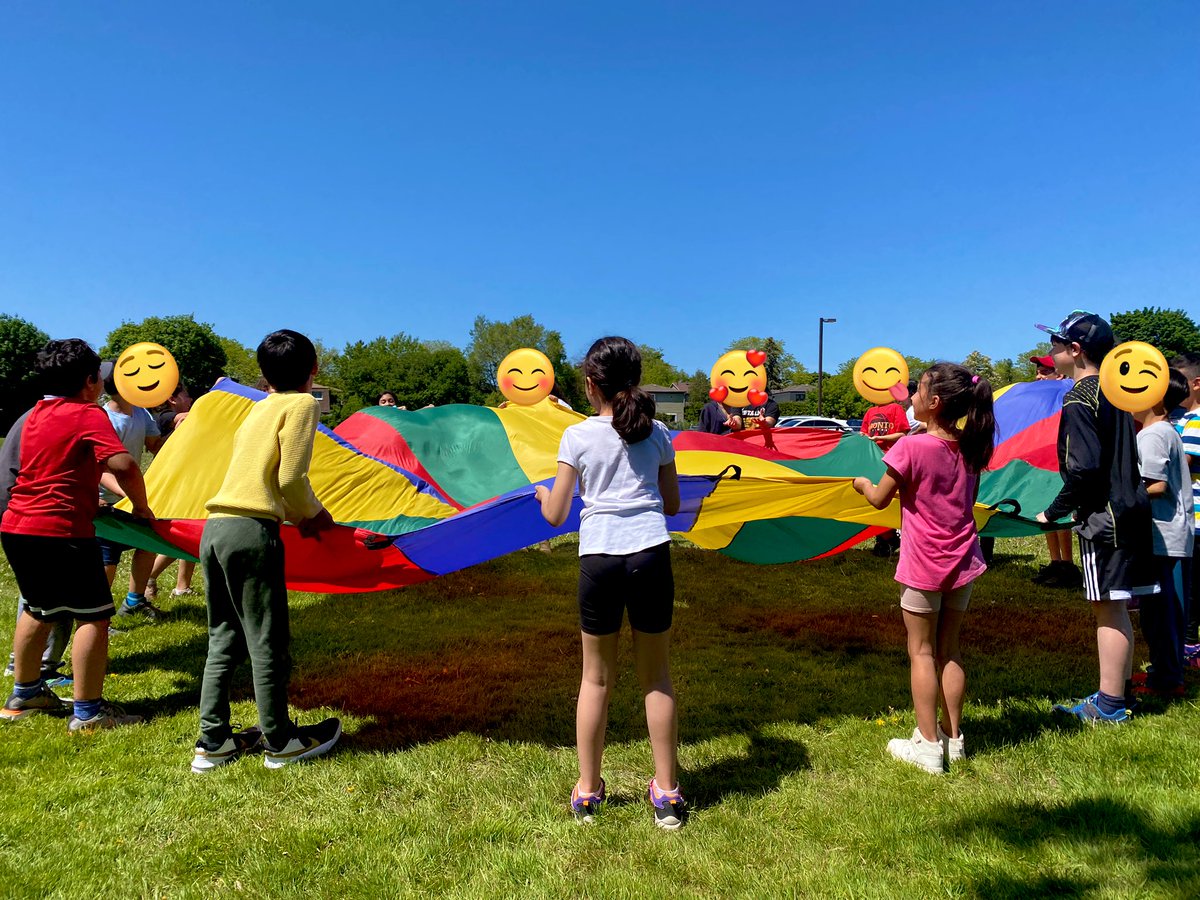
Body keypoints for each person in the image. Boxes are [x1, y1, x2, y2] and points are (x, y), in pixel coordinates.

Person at [535, 336, 685, 828]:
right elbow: (672, 504)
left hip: (599, 558)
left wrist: (542, 493)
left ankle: (588, 791)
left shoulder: (576, 438)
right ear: (635, 381)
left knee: (595, 678)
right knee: (656, 678)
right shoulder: (659, 433)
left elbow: (556, 515)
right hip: (650, 553)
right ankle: (666, 793)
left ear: (590, 385)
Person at [193, 329, 340, 773]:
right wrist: (314, 517)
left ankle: (212, 741)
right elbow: (291, 479)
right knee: (266, 641)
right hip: (251, 532)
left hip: (215, 527)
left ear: (262, 375)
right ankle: (280, 741)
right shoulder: (302, 405)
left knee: (224, 637)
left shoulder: (256, 409)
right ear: (314, 369)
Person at [1, 339, 151, 731]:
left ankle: (25, 693)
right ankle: (88, 713)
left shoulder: (35, 414)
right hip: (60, 531)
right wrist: (141, 507)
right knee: (95, 617)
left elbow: (58, 468)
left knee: (38, 608)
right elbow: (125, 465)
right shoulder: (87, 413)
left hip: (18, 527)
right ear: (90, 381)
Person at [853, 363, 994, 773]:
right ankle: (954, 740)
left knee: (921, 651)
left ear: (933, 404)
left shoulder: (911, 448)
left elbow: (880, 500)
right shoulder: (971, 446)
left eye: (918, 391)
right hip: (963, 559)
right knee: (950, 650)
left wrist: (861, 484)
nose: (910, 395)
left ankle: (928, 748)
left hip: (923, 563)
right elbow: (967, 501)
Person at [1034, 311, 1157, 724]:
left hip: (1104, 517)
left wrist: (1053, 512)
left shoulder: (1080, 396)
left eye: (1055, 344)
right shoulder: (1119, 391)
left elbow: (1084, 468)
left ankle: (1107, 704)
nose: (1050, 352)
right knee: (1119, 606)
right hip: (1132, 508)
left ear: (1075, 350)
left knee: (1106, 607)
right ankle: (1118, 695)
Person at [1130, 369, 1192, 699]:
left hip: (1162, 538)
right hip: (1173, 536)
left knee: (1161, 614)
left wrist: (1122, 495)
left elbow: (1155, 484)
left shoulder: (1151, 436)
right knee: (1169, 612)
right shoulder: (1165, 431)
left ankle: (1167, 679)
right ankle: (1166, 671)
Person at [96, 361, 165, 621]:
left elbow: (156, 445)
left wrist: (181, 429)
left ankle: (134, 601)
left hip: (135, 498)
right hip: (106, 501)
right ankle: (100, 617)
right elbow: (101, 468)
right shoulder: (103, 418)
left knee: (148, 543)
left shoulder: (142, 413)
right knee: (107, 559)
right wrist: (130, 496)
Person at [1028, 355, 1080, 587]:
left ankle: (1067, 565)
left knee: (1059, 511)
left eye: (1044, 372)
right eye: (1038, 371)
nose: (1039, 376)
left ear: (1058, 374)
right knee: (1045, 509)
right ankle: (1055, 562)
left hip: (1059, 462)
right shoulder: (1037, 398)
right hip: (1039, 461)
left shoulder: (1067, 395)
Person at [146, 382, 197, 602]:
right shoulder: (166, 417)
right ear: (172, 399)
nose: (191, 400)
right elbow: (183, 418)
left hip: (186, 482)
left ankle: (182, 586)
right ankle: (147, 577)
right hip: (173, 487)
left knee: (192, 531)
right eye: (187, 396)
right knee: (183, 537)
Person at [1169, 352, 1200, 667]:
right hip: (1184, 516)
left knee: (1191, 587)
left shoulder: (1197, 419)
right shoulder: (1178, 418)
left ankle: (1190, 643)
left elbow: (1182, 464)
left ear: (1196, 383)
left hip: (1195, 520)